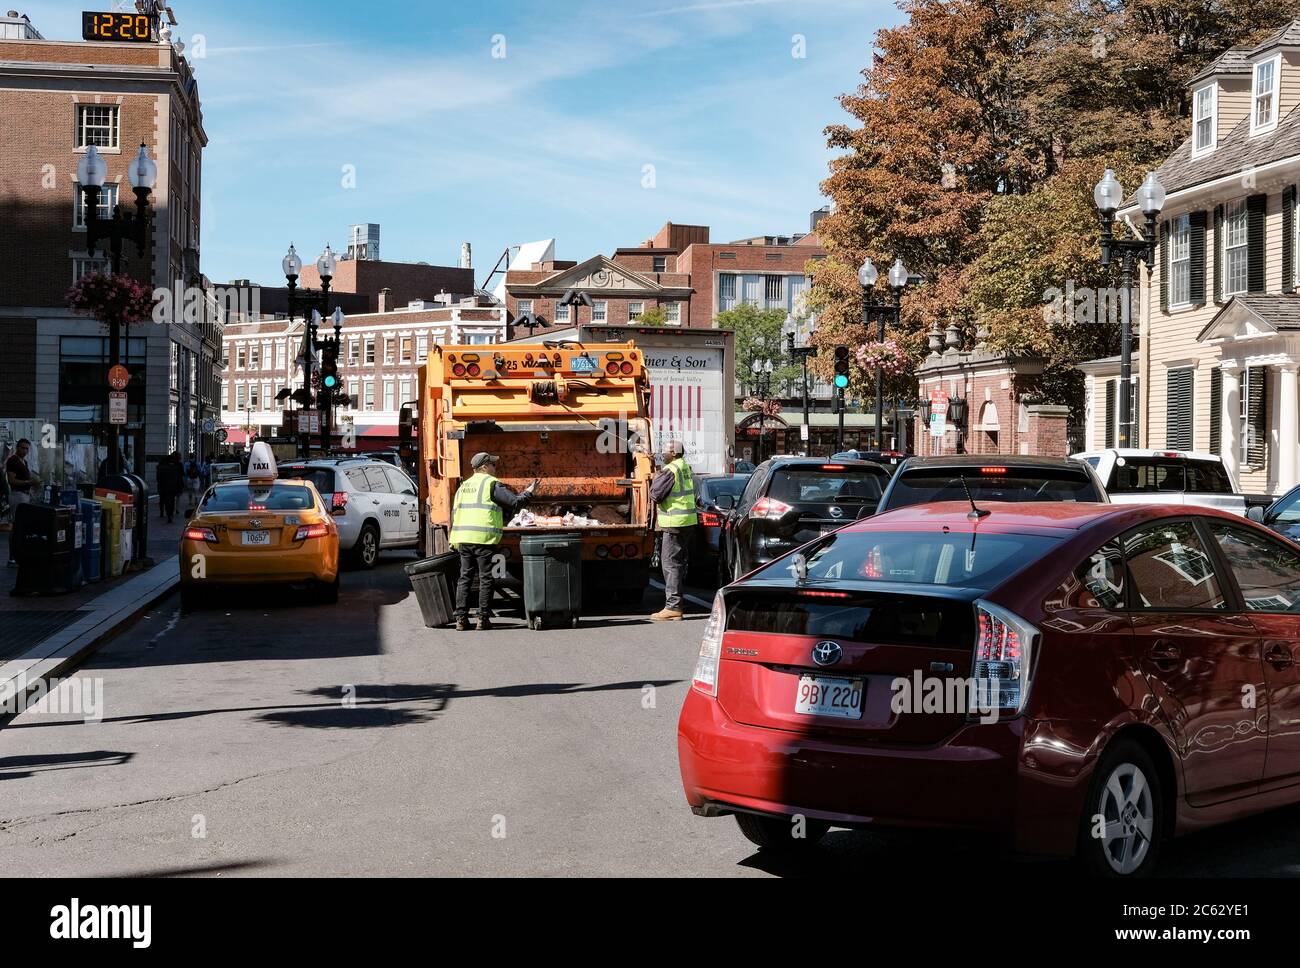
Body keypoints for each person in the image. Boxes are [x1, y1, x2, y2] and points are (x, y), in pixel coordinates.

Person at [449, 452, 537, 631]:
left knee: (464, 578)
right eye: (493, 465)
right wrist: (529, 492)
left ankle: (461, 619)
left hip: (463, 538)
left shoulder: (463, 486)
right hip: (482, 538)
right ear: (484, 467)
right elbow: (514, 503)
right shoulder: (490, 484)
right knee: (485, 578)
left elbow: (455, 513)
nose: (495, 468)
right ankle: (482, 619)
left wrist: (454, 539)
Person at [649, 439, 698, 621]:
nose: (663, 454)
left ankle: (673, 606)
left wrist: (657, 475)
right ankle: (675, 605)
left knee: (670, 564)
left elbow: (656, 494)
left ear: (674, 453)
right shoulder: (685, 467)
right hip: (687, 521)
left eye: (666, 452)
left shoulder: (670, 470)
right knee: (676, 563)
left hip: (674, 522)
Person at [5, 438, 36, 567]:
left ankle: (17, 555)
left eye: (27, 448)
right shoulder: (13, 460)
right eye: (22, 448)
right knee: (16, 527)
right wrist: (28, 483)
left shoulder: (24, 462)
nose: (24, 450)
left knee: (21, 527)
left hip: (24, 495)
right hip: (17, 495)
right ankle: (12, 557)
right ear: (17, 448)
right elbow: (12, 481)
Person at [156, 452, 184, 524]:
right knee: (171, 501)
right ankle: (170, 515)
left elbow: (158, 478)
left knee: (162, 499)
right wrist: (179, 487)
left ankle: (163, 511)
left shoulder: (161, 468)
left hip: (163, 487)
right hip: (172, 487)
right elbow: (179, 478)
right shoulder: (176, 468)